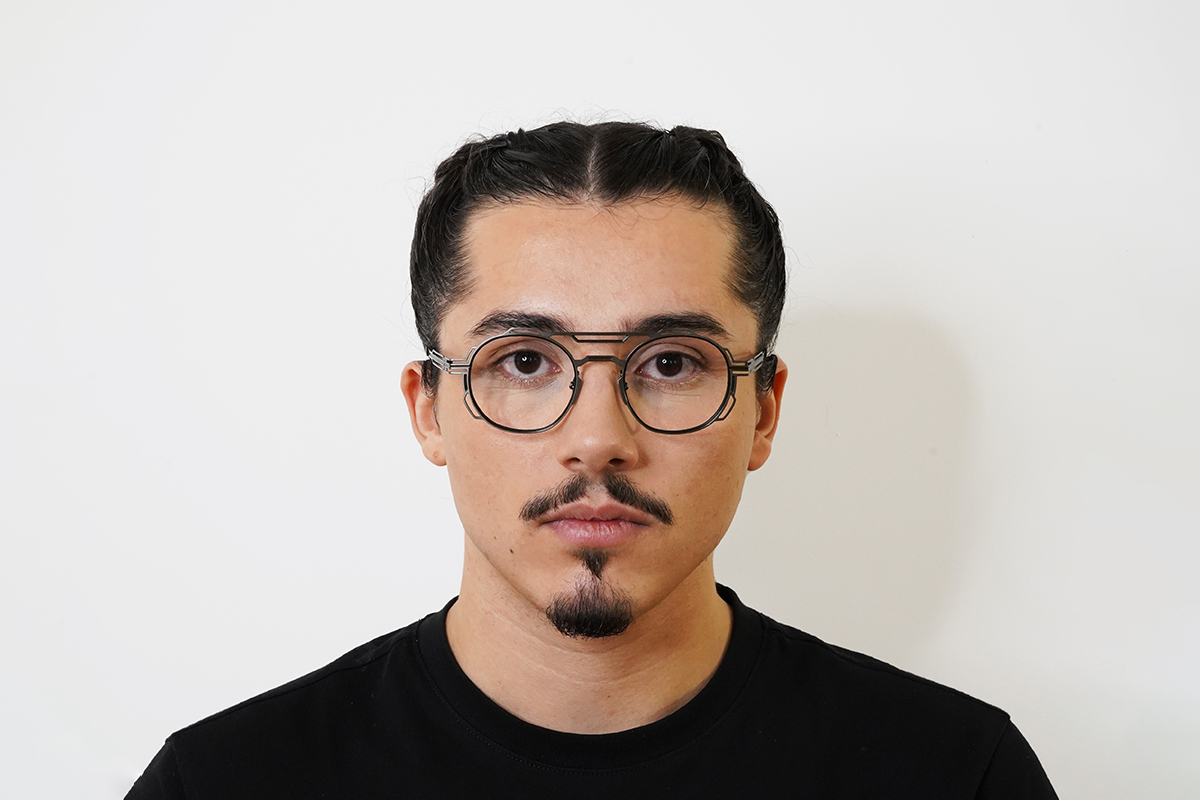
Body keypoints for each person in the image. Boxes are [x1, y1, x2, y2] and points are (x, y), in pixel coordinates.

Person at [127, 121, 1058, 798]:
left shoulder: (955, 776)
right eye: (525, 362)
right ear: (429, 411)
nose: (599, 436)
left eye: (672, 364)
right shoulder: (223, 785)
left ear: (764, 412)